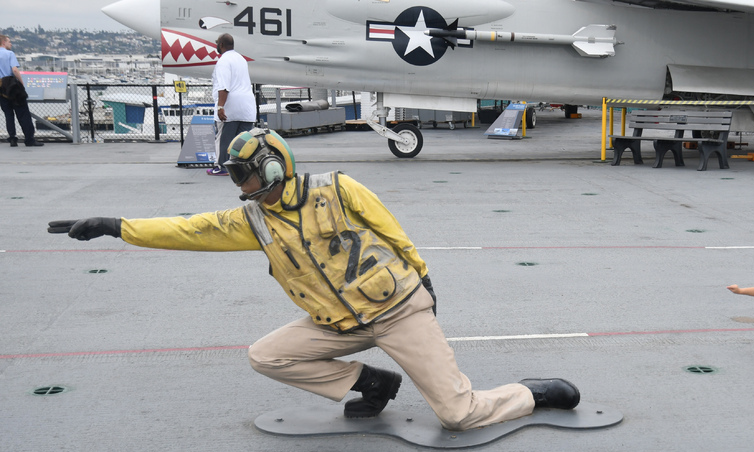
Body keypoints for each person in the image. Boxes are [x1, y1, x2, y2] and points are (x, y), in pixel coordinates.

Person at [48, 128, 580, 430]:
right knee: (266, 354)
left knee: (459, 415)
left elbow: (392, 232)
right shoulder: (252, 219)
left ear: (275, 164)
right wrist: (116, 227)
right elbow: (188, 229)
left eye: (248, 172)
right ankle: (371, 382)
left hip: (397, 311)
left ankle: (529, 393)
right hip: (338, 324)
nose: (243, 183)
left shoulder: (337, 188)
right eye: (238, 176)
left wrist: (424, 281)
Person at [207, 34, 257, 176]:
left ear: (221, 45)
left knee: (224, 138)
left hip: (231, 106)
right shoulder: (241, 59)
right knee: (244, 140)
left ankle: (221, 167)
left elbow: (224, 86)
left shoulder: (224, 61)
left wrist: (220, 107)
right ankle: (243, 168)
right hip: (247, 106)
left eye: (217, 43)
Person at [0, 34, 42, 147]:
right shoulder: (9, 54)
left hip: (1, 89)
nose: (11, 44)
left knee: (8, 115)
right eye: (9, 42)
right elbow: (14, 69)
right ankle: (29, 139)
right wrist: (21, 83)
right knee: (23, 113)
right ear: (3, 42)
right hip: (12, 86)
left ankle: (12, 139)